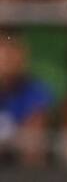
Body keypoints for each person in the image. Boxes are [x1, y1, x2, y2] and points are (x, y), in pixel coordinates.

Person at [0, 29, 55, 167]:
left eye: (13, 52)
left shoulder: (37, 91)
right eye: (4, 52)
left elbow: (32, 142)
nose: (8, 59)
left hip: (20, 172)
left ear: (23, 56)